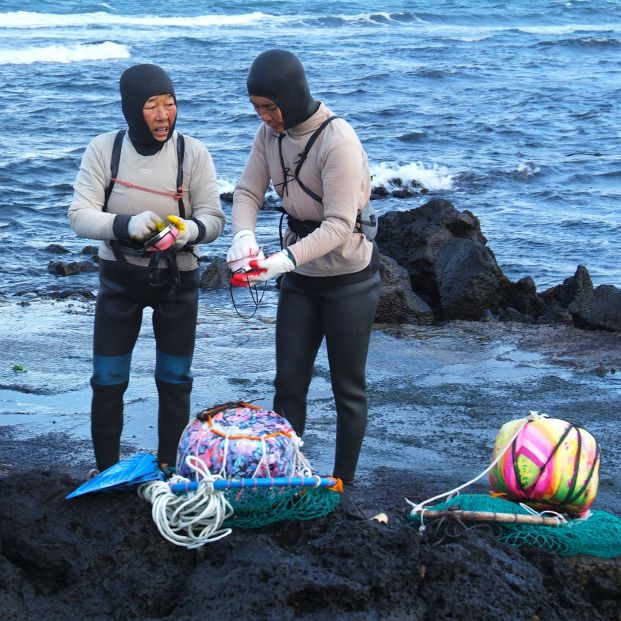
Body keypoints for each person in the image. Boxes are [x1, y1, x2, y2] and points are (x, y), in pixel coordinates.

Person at [227, 49, 380, 518]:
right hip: (299, 279)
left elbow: (338, 225)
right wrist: (244, 236)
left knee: (346, 388)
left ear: (292, 97)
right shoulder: (268, 135)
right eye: (257, 107)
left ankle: (342, 486)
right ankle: (287, 473)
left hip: (348, 280)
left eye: (270, 107)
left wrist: (282, 261)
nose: (265, 116)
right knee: (288, 384)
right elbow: (247, 191)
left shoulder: (339, 141)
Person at [69, 63, 225, 474]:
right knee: (107, 381)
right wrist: (125, 224)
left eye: (170, 104)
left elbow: (214, 219)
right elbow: (79, 215)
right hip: (119, 283)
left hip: (178, 283)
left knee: (175, 380)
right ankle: (104, 472)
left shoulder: (193, 153)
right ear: (130, 109)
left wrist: (190, 229)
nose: (163, 115)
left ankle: (168, 468)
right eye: (151, 106)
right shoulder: (105, 150)